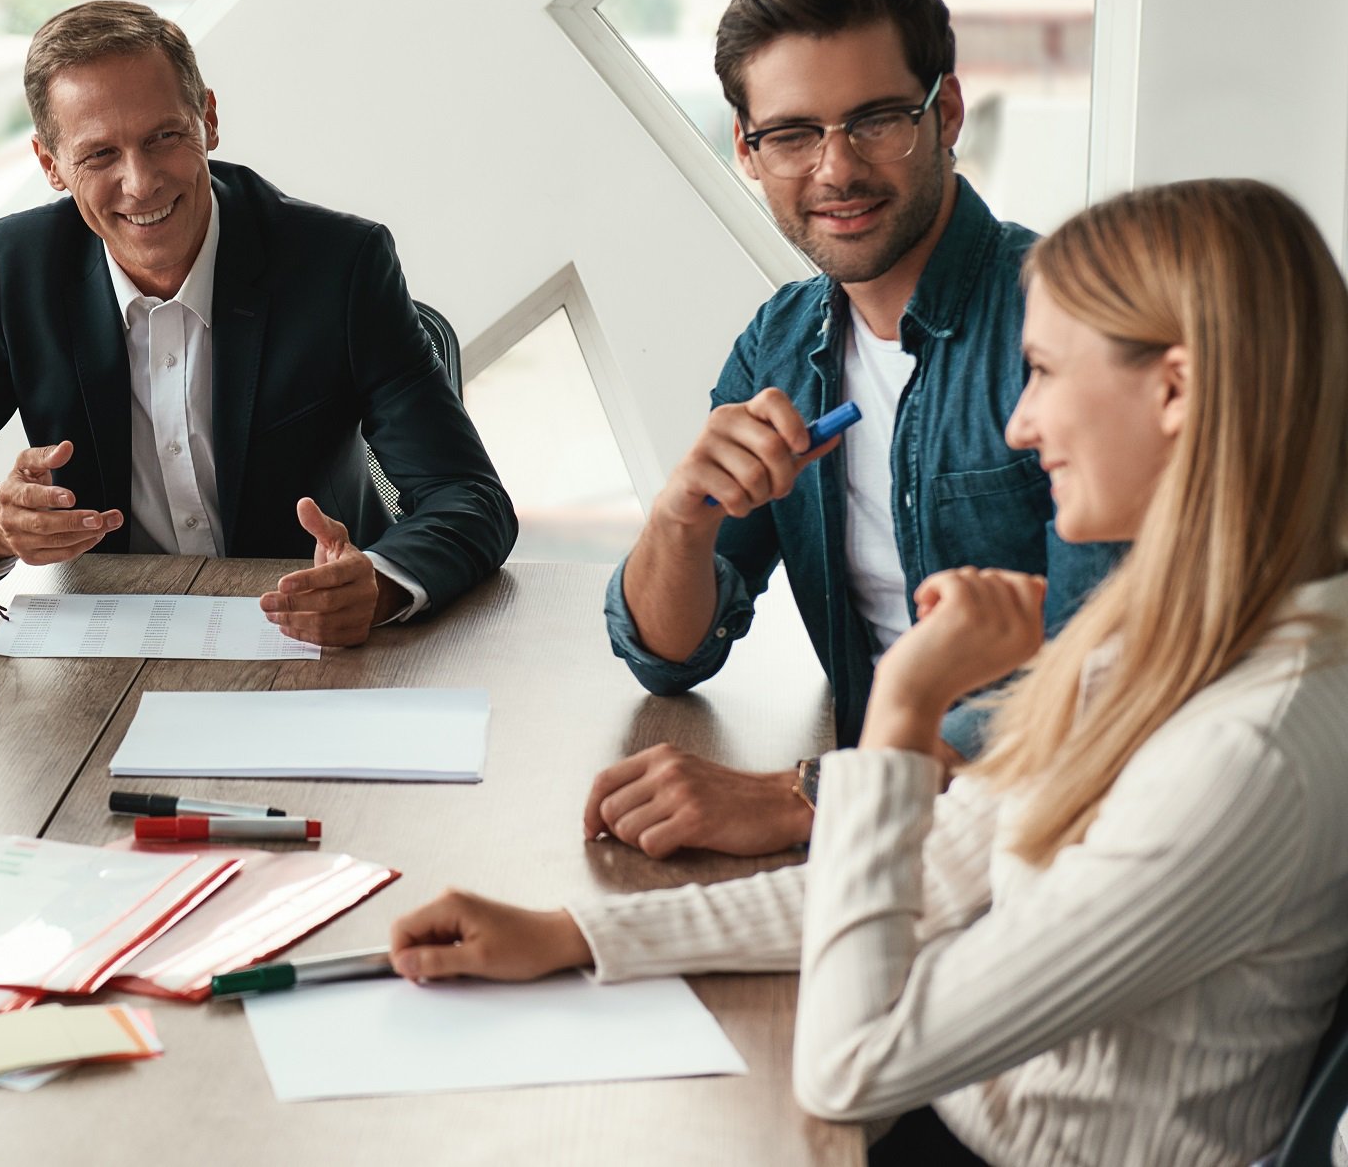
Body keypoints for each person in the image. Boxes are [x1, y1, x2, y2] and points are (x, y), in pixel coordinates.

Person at [391, 179, 1348, 1165]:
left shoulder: (1245, 749)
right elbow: (923, 879)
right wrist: (575, 935)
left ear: (1177, 391)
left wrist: (904, 707)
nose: (1023, 426)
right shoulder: (1175, 639)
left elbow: (850, 1066)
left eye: (1048, 373)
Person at [589, 0, 1121, 859]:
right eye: (792, 135)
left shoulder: (1070, 319)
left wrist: (811, 798)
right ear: (748, 152)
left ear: (945, 111)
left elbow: (1115, 666)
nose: (835, 170)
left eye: (875, 121)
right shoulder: (781, 343)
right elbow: (671, 655)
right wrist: (680, 521)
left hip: (1049, 838)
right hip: (882, 837)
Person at [0, 0, 514, 647]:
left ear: (207, 117)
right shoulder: (15, 273)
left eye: (163, 138)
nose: (141, 183)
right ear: (51, 165)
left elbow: (468, 496)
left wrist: (379, 584)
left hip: (311, 637)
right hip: (107, 646)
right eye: (99, 156)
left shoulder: (339, 266)